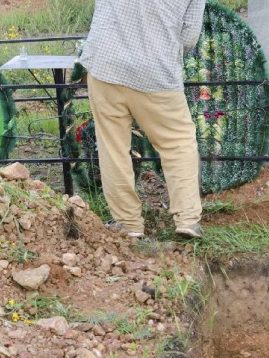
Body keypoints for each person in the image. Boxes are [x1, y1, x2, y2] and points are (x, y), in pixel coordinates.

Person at [80, 0, 206, 239]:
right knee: (177, 142)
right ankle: (187, 219)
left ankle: (128, 224)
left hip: (106, 64)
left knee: (113, 147)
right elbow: (189, 36)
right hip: (156, 71)